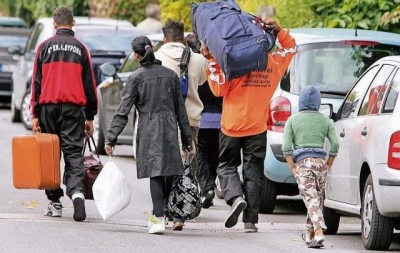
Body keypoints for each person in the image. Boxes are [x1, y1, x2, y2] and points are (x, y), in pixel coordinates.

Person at [200, 19, 297, 232]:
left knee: (226, 166)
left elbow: (218, 90)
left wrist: (211, 60)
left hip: (231, 127)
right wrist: (280, 30)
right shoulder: (274, 63)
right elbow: (291, 47)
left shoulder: (234, 64)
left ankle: (235, 198)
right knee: (253, 171)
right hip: (257, 128)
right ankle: (250, 221)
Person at [104, 36, 192, 235]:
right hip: (170, 126)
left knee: (155, 172)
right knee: (168, 170)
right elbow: (181, 111)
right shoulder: (171, 75)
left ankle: (158, 218)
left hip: (149, 127)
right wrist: (187, 140)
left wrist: (111, 138)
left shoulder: (136, 78)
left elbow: (122, 110)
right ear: (152, 49)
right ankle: (162, 213)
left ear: (136, 55)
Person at [30, 6, 98, 222]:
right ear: (73, 24)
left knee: (50, 155)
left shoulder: (44, 47)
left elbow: (36, 83)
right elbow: (90, 85)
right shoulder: (81, 49)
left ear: (54, 25)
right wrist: (90, 116)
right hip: (73, 108)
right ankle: (77, 193)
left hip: (48, 108)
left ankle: (55, 203)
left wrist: (35, 114)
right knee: (73, 153)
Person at [282, 86, 339, 248]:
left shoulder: (293, 120)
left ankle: (319, 231)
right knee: (315, 198)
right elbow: (335, 144)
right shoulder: (325, 120)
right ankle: (309, 234)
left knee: (311, 198)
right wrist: (329, 163)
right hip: (321, 164)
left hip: (303, 163)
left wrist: (292, 167)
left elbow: (286, 146)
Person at [154, 21, 207, 186]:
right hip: (191, 118)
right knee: (189, 160)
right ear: (184, 38)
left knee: (164, 161)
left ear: (164, 39)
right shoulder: (199, 59)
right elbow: (202, 81)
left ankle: (165, 200)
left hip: (163, 120)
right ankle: (186, 201)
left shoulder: (156, 58)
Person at [186, 33, 222, 208]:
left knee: (200, 155)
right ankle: (209, 186)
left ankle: (206, 187)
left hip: (201, 118)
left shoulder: (193, 67)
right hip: (220, 119)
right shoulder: (217, 64)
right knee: (214, 154)